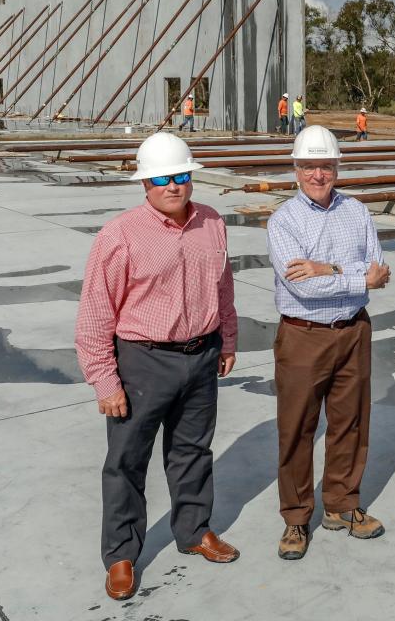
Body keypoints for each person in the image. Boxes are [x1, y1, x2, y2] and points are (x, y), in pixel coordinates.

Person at [75, 132, 240, 601]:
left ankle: (193, 531)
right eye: (164, 177)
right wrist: (105, 380)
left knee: (193, 451)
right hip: (142, 362)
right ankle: (122, 554)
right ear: (145, 182)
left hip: (202, 355)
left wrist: (226, 340)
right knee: (127, 461)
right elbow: (94, 314)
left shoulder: (212, 223)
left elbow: (223, 289)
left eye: (182, 175)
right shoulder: (120, 235)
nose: (174, 185)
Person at [266, 124, 391, 560]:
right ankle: (297, 519)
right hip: (304, 336)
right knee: (297, 429)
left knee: (351, 422)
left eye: (326, 166)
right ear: (295, 170)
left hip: (353, 330)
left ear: (338, 167)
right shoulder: (285, 220)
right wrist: (349, 275)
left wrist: (329, 270)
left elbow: (379, 272)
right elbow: (303, 289)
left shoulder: (356, 211)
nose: (318, 174)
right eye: (309, 166)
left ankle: (342, 504)